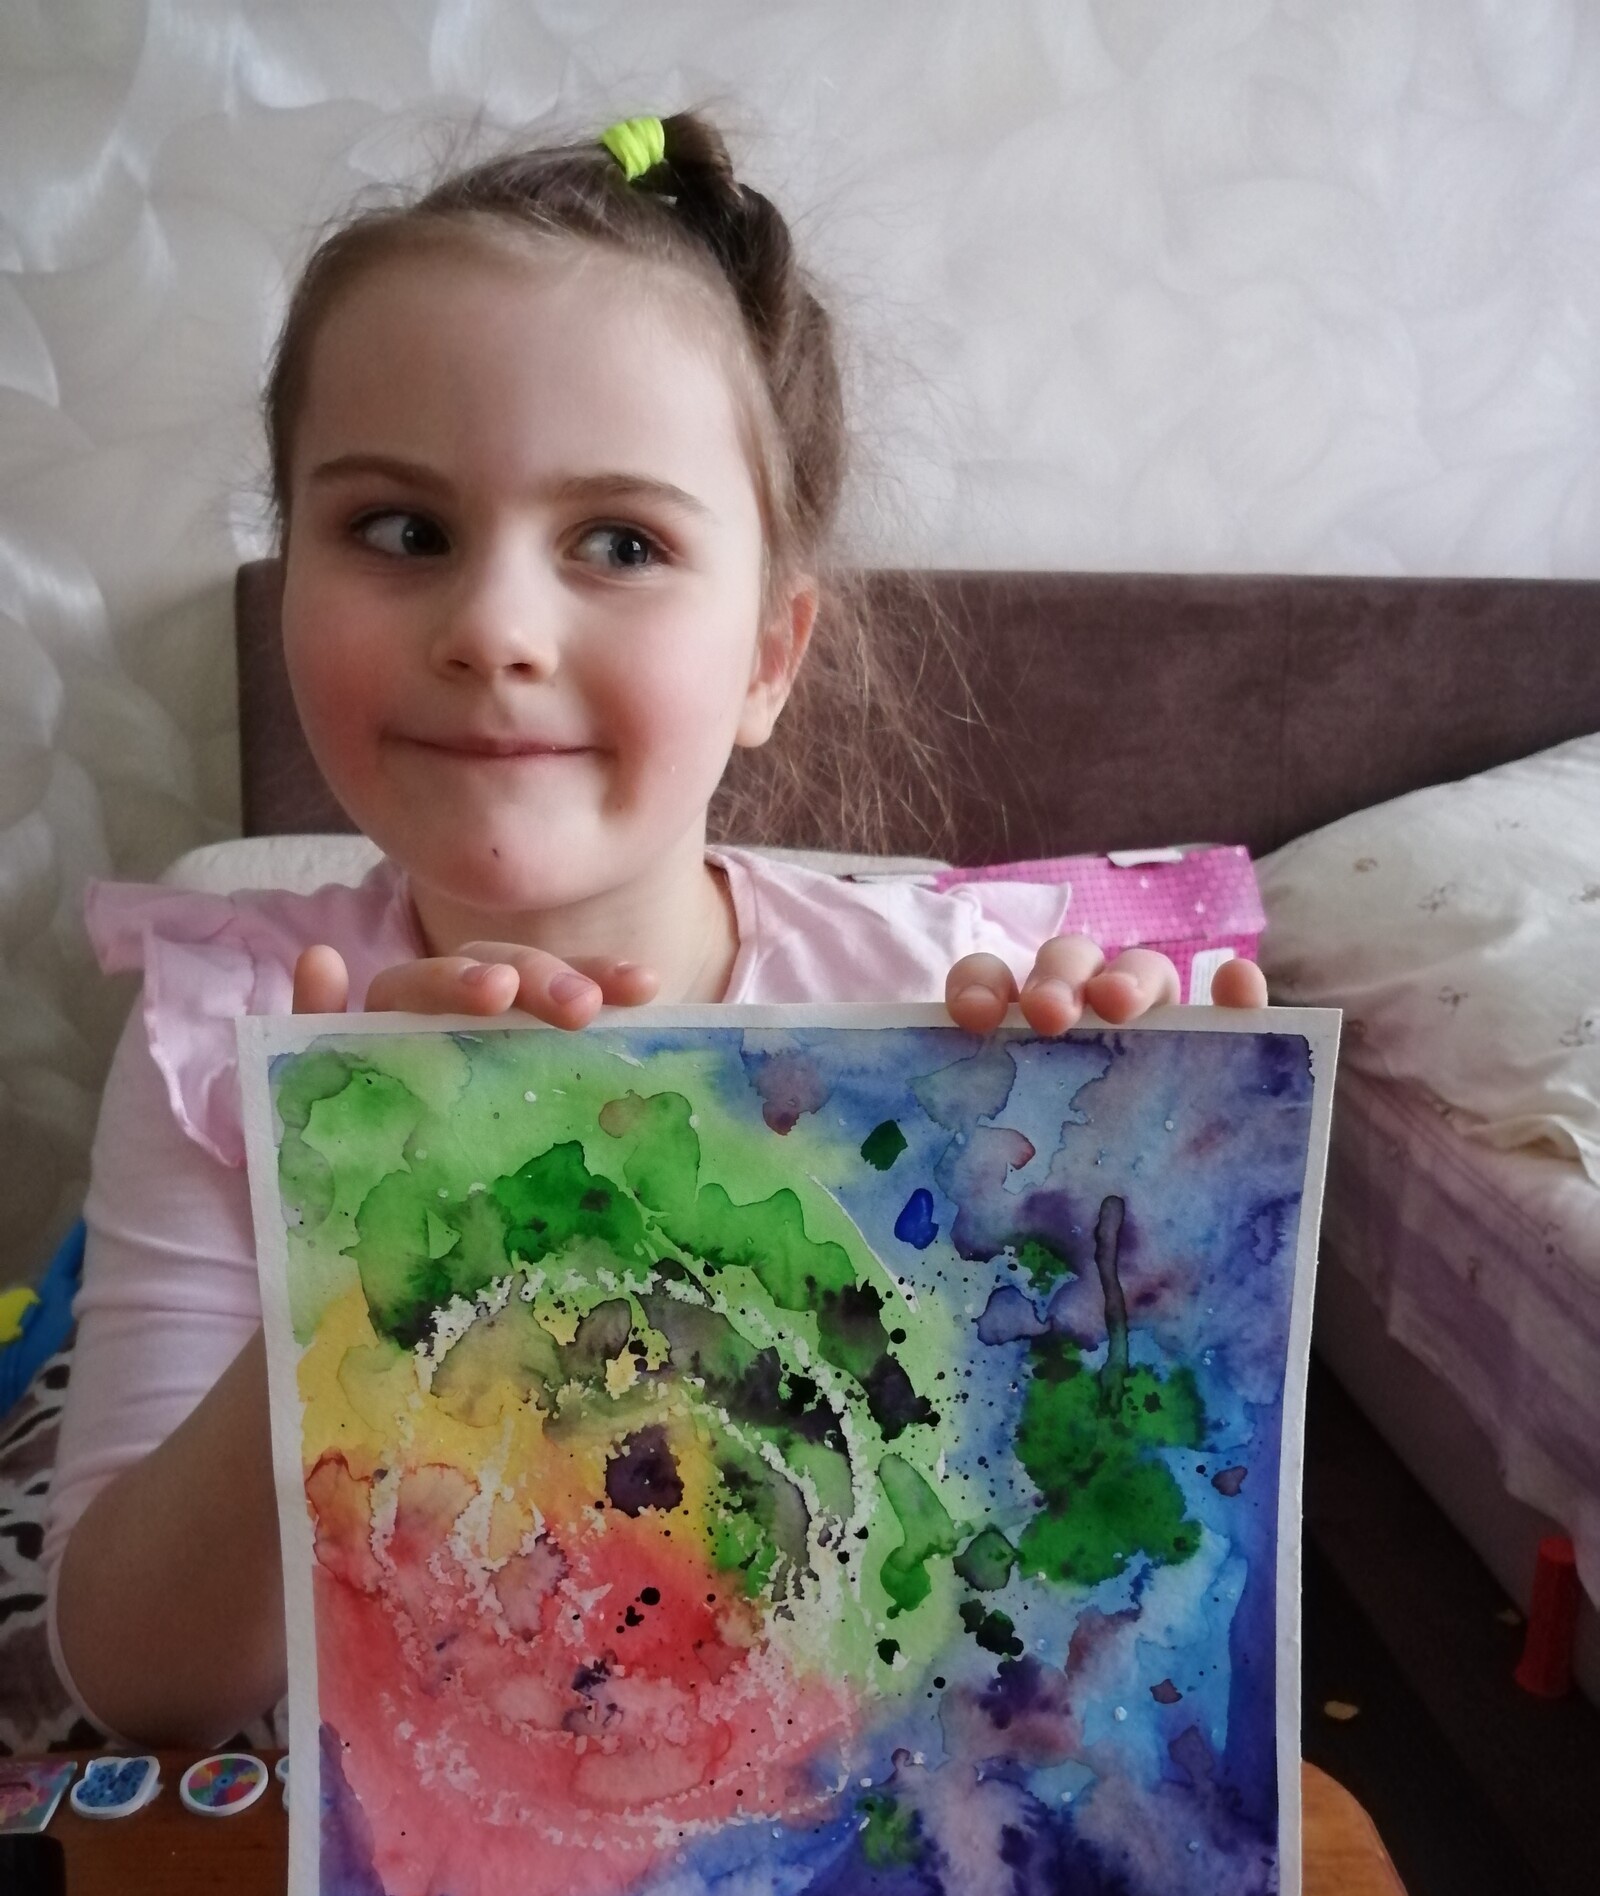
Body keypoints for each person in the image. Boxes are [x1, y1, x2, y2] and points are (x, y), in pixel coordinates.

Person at [43, 112, 1267, 1749]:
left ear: (769, 654)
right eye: (399, 529)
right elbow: (138, 1684)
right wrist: (353, 1272)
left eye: (620, 543)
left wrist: (1128, 1204)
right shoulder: (228, 1035)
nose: (493, 628)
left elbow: (1088, 1593)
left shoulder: (930, 1023)